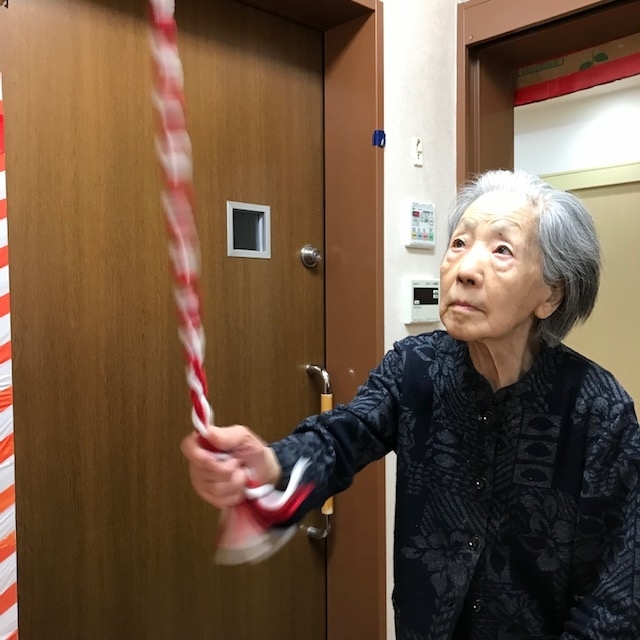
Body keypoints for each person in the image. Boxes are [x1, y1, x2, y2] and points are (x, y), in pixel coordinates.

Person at [181, 169, 640, 640]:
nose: (464, 269)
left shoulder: (600, 411)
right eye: (459, 243)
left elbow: (615, 596)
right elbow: (344, 436)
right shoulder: (414, 366)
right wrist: (273, 463)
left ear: (551, 294)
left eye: (502, 250)